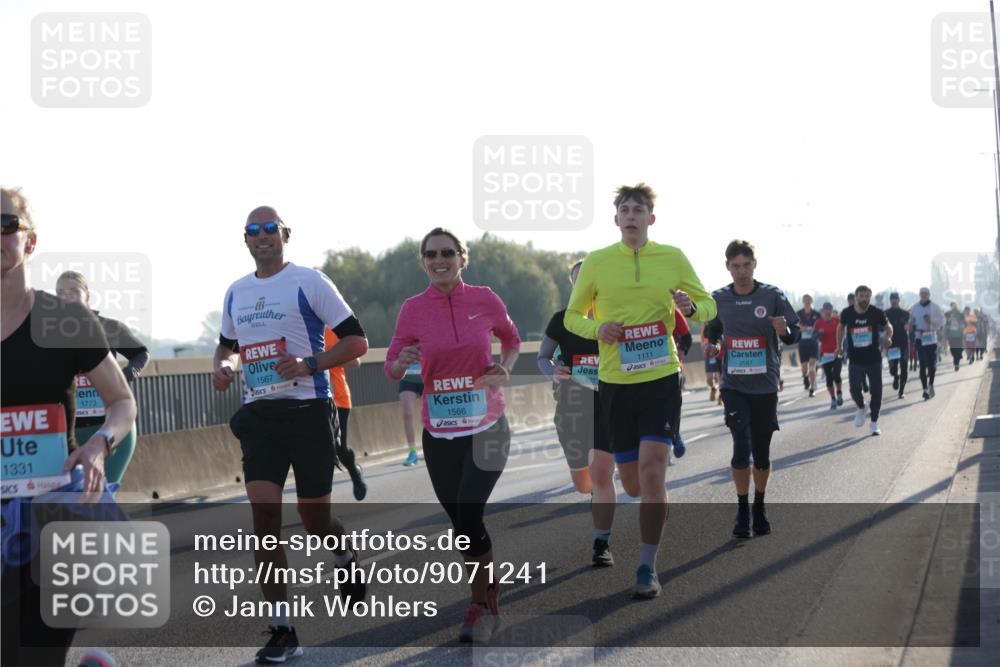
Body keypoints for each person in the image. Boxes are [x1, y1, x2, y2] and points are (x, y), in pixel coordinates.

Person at [212, 207, 369, 663]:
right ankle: (284, 630)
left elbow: (356, 340)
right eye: (252, 231)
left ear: (285, 234)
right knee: (265, 523)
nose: (261, 237)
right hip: (260, 417)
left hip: (308, 413)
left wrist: (309, 364)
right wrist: (224, 365)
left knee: (315, 522)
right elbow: (228, 344)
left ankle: (344, 557)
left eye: (269, 229)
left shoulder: (310, 282)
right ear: (245, 240)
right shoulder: (236, 292)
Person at [1, 187, 137, 666]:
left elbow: (121, 401)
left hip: (56, 512)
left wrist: (100, 444)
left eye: (6, 225)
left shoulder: (66, 320)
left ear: (30, 242)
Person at [565, 183, 716, 599]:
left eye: (639, 210)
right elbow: (572, 318)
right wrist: (599, 329)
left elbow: (708, 306)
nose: (631, 215)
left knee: (653, 473)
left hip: (661, 378)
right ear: (616, 219)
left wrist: (691, 308)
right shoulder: (597, 263)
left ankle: (647, 566)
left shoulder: (673, 258)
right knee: (631, 483)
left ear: (651, 218)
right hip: (615, 383)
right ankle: (646, 510)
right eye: (624, 210)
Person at [385, 227, 520, 642]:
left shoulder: (484, 298)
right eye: (430, 254)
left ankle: (480, 604)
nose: (438, 259)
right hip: (440, 431)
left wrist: (505, 367)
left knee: (468, 511)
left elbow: (511, 339)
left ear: (463, 258)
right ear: (423, 261)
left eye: (447, 252)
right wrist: (402, 361)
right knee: (461, 525)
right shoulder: (412, 309)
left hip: (487, 425)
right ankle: (487, 586)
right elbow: (392, 365)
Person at [702, 240, 799, 538]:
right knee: (740, 445)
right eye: (736, 266)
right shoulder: (718, 298)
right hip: (733, 384)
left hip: (766, 385)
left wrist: (785, 331)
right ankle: (742, 509)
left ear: (755, 264)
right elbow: (714, 331)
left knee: (762, 449)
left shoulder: (772, 295)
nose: (741, 272)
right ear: (727, 267)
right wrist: (715, 346)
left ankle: (760, 504)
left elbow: (794, 336)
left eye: (746, 265)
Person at [537, 259, 616, 566]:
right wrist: (553, 370)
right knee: (582, 482)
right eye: (579, 280)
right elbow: (543, 357)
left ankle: (602, 542)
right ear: (574, 286)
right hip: (571, 405)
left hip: (608, 405)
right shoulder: (563, 319)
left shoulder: (616, 317)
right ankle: (595, 495)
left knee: (601, 474)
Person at [55, 270, 149, 484]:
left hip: (109, 427)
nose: (66, 297)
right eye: (60, 293)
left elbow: (141, 353)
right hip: (71, 432)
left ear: (87, 294)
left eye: (73, 291)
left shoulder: (108, 327)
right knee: (76, 500)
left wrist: (126, 374)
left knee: (104, 494)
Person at [836, 286, 892, 436]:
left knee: (877, 391)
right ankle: (861, 407)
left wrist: (888, 337)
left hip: (874, 358)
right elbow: (840, 328)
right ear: (856, 297)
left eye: (867, 296)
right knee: (854, 389)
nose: (865, 299)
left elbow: (889, 327)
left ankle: (874, 423)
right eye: (862, 296)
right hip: (855, 359)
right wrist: (839, 346)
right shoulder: (847, 313)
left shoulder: (876, 312)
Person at [323, 327, 367, 501]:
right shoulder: (296, 328)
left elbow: (355, 362)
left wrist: (322, 359)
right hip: (311, 398)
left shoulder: (331, 328)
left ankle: (354, 472)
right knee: (320, 452)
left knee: (339, 448)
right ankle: (317, 501)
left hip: (338, 398)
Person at [907, 287, 944, 400]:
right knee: (922, 364)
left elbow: (943, 321)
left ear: (929, 295)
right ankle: (924, 390)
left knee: (932, 366)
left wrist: (932, 320)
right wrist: (909, 325)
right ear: (919, 295)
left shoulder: (935, 307)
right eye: (922, 294)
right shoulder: (915, 307)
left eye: (926, 294)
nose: (923, 295)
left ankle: (931, 384)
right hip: (920, 338)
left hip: (931, 338)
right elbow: (910, 320)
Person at [813, 302, 844, 409]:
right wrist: (819, 333)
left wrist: (842, 347)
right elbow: (814, 337)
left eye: (829, 309)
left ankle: (839, 393)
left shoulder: (837, 321)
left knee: (836, 375)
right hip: (825, 354)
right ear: (823, 311)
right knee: (829, 379)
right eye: (825, 309)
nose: (827, 311)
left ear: (831, 310)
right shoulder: (819, 323)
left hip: (836, 353)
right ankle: (833, 399)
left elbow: (843, 333)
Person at [883, 292, 911, 399]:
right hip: (891, 344)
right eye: (892, 299)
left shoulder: (905, 313)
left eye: (896, 299)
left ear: (899, 300)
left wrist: (909, 327)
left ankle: (901, 391)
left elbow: (910, 326)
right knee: (892, 368)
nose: (894, 301)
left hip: (903, 343)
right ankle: (895, 376)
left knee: (904, 367)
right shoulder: (885, 313)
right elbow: (881, 327)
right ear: (890, 301)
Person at [398, 360, 422, 467]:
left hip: (427, 375)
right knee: (407, 413)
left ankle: (434, 446)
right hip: (407, 378)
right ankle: (413, 452)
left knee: (429, 415)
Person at [796, 295, 820, 397]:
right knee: (804, 367)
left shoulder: (816, 314)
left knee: (812, 366)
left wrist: (813, 328)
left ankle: (813, 387)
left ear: (811, 301)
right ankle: (805, 378)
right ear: (802, 301)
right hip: (803, 343)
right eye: (805, 300)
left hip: (813, 343)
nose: (807, 302)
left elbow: (820, 326)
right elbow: (794, 325)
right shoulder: (798, 314)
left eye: (808, 300)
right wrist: (801, 328)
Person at [945, 302, 965, 371]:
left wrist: (963, 326)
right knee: (952, 350)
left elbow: (964, 322)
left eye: (955, 306)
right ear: (951, 307)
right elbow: (944, 322)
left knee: (959, 349)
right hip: (951, 335)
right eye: (952, 306)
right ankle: (956, 359)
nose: (954, 307)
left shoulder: (960, 314)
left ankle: (956, 363)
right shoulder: (948, 314)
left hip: (959, 335)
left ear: (957, 306)